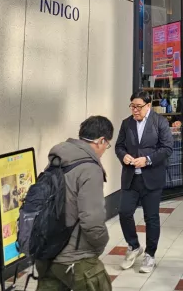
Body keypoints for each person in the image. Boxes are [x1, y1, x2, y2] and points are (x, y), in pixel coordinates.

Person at [36, 116, 114, 291]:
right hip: (76, 260)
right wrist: (101, 244)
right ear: (101, 140)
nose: (104, 150)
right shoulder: (90, 169)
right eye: (106, 145)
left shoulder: (57, 160)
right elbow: (92, 220)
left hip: (47, 255)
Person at [115, 91, 174, 274]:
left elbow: (167, 148)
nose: (135, 110)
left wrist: (147, 159)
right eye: (132, 106)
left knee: (151, 217)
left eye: (138, 106)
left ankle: (150, 254)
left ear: (148, 105)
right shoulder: (127, 123)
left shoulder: (160, 122)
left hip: (151, 177)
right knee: (124, 212)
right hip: (131, 177)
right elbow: (119, 146)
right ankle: (133, 246)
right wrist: (123, 155)